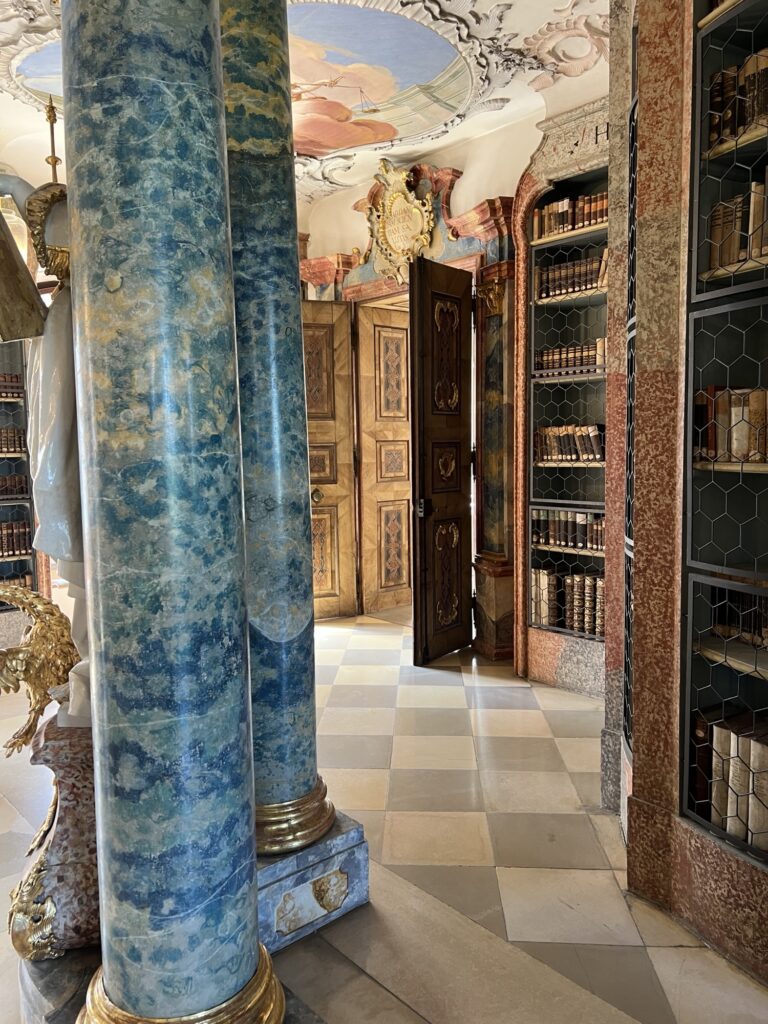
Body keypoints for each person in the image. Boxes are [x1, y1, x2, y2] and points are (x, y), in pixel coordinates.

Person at [0, 170, 90, 722]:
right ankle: (87, 681)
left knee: (88, 592)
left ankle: (90, 681)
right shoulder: (66, 314)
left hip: (84, 493)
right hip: (77, 494)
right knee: (84, 591)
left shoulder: (75, 314)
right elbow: (52, 435)